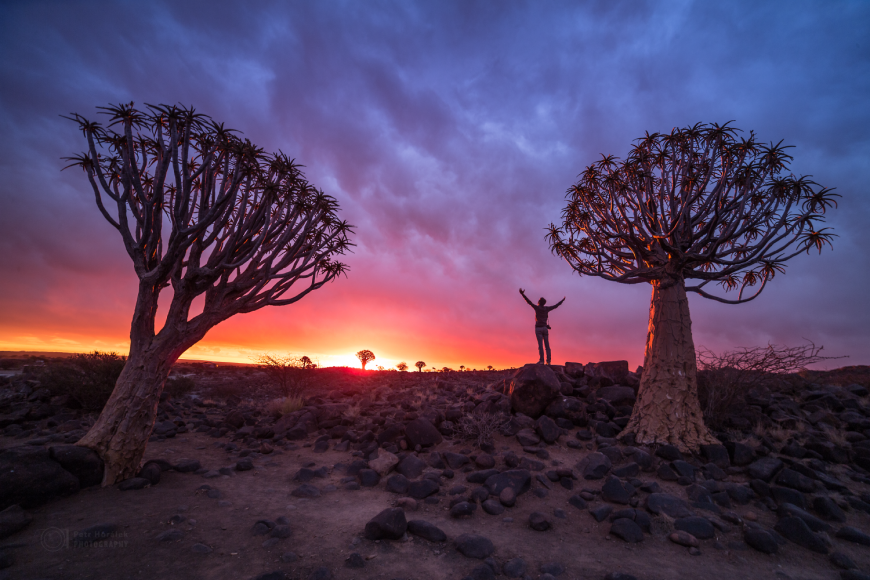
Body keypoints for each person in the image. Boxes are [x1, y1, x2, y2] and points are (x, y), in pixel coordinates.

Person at [519, 288, 565, 365]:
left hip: (538, 328)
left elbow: (529, 302)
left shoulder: (537, 308)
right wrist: (562, 300)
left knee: (540, 345)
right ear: (544, 303)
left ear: (539, 302)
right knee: (547, 345)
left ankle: (541, 361)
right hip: (545, 328)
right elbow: (556, 306)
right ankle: (549, 361)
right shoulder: (547, 309)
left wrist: (522, 294)